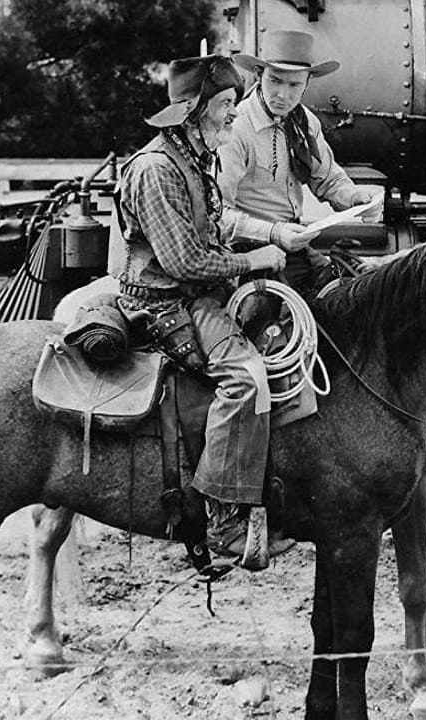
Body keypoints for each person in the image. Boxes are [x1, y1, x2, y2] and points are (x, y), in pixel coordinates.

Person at [112, 54, 314, 571]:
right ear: (195, 110)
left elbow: (213, 225)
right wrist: (255, 258)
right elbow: (182, 260)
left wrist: (266, 235)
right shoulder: (157, 169)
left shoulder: (195, 156)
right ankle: (223, 520)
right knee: (246, 378)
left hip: (196, 291)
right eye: (225, 104)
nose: (233, 113)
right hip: (164, 301)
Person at [221, 29, 382, 292]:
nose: (283, 95)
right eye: (275, 81)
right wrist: (274, 232)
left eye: (294, 85)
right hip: (249, 252)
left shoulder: (304, 122)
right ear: (259, 76)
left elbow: (329, 179)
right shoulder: (236, 129)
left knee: (354, 291)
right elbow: (218, 216)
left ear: (307, 84)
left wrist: (356, 198)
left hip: (295, 247)